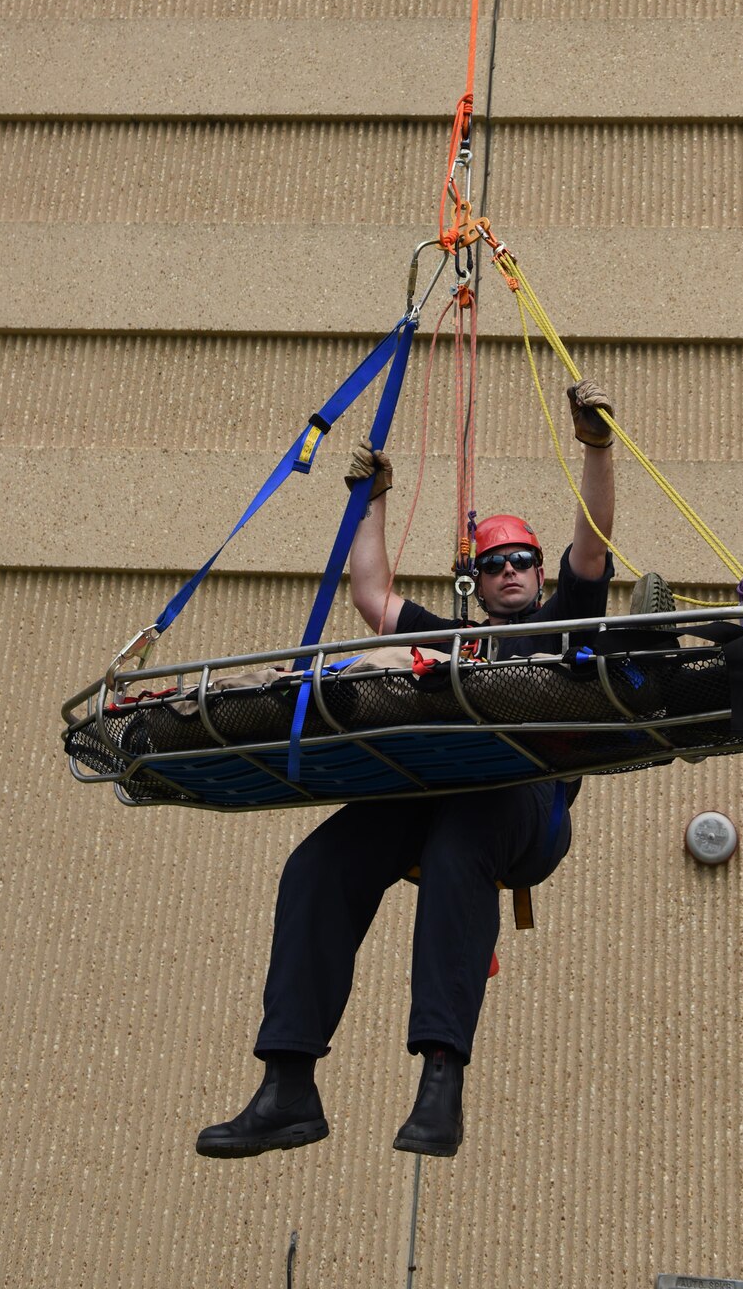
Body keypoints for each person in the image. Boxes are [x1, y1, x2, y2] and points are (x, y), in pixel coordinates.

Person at [195, 379, 619, 1163]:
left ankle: (440, 1080)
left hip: (520, 806)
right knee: (320, 864)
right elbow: (371, 594)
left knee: (465, 840)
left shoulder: (566, 625)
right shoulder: (451, 640)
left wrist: (596, 445)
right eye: (494, 565)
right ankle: (287, 1084)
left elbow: (592, 544)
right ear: (477, 581)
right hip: (432, 787)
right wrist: (370, 501)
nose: (512, 572)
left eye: (524, 560)